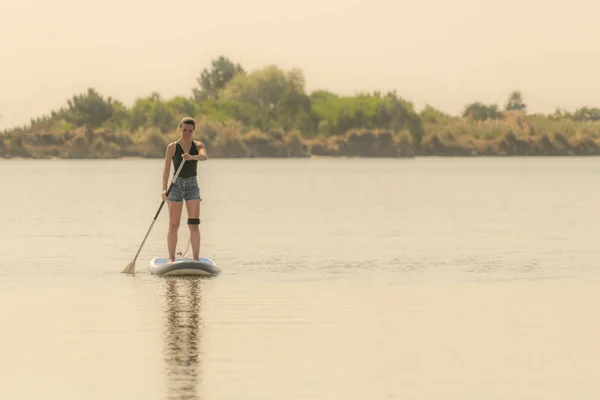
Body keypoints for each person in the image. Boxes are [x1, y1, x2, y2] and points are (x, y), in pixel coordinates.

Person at [161, 117, 207, 262]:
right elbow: (167, 169)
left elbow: (204, 156)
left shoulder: (198, 144)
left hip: (192, 185)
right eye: (184, 130)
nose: (187, 133)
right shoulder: (172, 147)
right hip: (176, 185)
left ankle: (196, 259)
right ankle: (171, 259)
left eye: (190, 130)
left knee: (194, 224)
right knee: (174, 225)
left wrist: (191, 157)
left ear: (193, 131)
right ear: (180, 129)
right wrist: (163, 189)